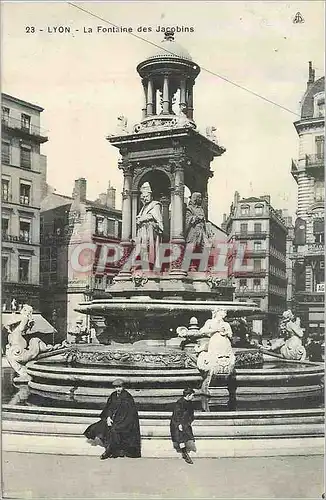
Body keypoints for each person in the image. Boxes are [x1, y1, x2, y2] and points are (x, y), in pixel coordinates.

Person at [84, 379, 141, 460]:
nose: (118, 389)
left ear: (123, 387)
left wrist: (116, 423)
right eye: (116, 387)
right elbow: (109, 408)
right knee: (99, 426)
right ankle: (110, 448)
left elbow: (129, 415)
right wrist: (108, 417)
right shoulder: (113, 395)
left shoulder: (127, 397)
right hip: (113, 419)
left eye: (120, 387)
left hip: (125, 422)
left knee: (114, 430)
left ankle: (109, 451)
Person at [135, 182, 163, 267]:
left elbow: (157, 218)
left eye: (146, 196)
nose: (145, 199)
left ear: (151, 195)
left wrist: (144, 218)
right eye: (143, 197)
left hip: (150, 230)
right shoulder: (144, 207)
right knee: (143, 248)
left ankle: (150, 263)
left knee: (149, 247)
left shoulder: (155, 204)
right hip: (143, 230)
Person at [170, 387, 196, 465]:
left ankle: (184, 453)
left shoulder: (189, 402)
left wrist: (190, 420)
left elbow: (191, 413)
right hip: (178, 424)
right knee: (181, 438)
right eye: (192, 395)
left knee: (184, 437)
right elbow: (176, 415)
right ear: (188, 395)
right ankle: (185, 454)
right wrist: (179, 424)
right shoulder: (180, 402)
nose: (193, 397)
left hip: (185, 422)